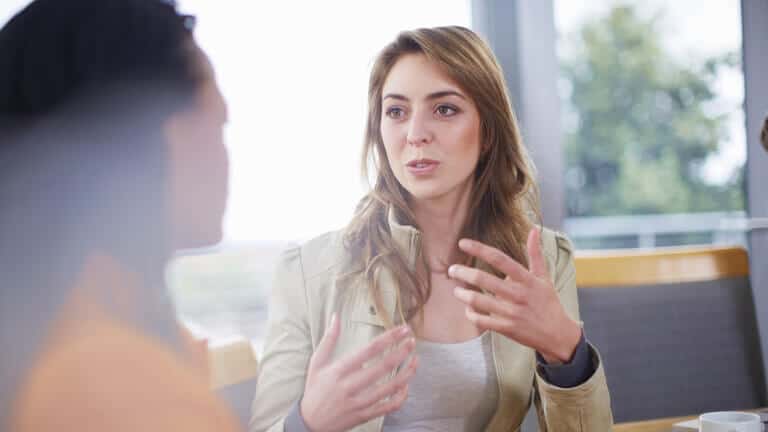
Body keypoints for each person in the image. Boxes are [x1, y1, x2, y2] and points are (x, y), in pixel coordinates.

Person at [250, 26, 613, 432]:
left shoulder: (542, 259)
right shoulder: (306, 272)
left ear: (488, 131)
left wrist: (568, 355)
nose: (415, 134)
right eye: (396, 112)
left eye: (444, 109)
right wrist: (307, 423)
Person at [0, 0, 239, 430]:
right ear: (147, 131)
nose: (226, 158)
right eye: (218, 123)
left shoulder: (54, 334)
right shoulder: (116, 382)